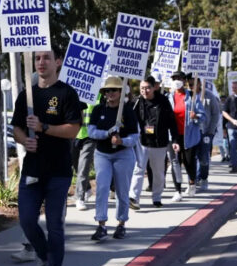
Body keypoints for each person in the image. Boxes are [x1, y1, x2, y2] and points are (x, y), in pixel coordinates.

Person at [11, 49, 81, 266]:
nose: (41, 62)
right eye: (38, 58)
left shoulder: (66, 93)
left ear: (58, 61)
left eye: (47, 58)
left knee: (55, 225)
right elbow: (16, 128)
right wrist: (24, 141)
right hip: (32, 170)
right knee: (27, 220)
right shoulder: (26, 95)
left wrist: (44, 127)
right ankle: (43, 257)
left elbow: (73, 130)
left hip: (59, 172)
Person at [88, 76, 138, 239]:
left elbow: (135, 136)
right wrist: (107, 133)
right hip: (102, 154)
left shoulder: (128, 111)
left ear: (121, 92)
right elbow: (91, 132)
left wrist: (122, 140)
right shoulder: (98, 110)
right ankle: (101, 224)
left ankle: (121, 223)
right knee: (102, 188)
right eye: (107, 90)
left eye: (114, 90)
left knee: (122, 191)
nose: (110, 93)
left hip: (123, 155)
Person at [129, 76, 179, 210]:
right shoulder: (136, 102)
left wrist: (174, 140)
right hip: (142, 141)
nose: (144, 91)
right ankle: (134, 198)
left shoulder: (163, 101)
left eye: (147, 88)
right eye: (142, 88)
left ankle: (156, 197)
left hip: (159, 142)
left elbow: (172, 122)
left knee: (158, 172)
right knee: (138, 169)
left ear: (154, 87)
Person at [167, 72, 204, 201]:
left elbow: (202, 116)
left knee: (189, 162)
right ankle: (177, 190)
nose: (176, 80)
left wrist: (196, 117)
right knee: (175, 162)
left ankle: (192, 182)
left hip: (189, 136)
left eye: (179, 78)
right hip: (173, 136)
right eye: (174, 78)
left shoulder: (192, 97)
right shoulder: (168, 97)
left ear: (184, 80)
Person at [192, 77, 221, 192]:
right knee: (193, 157)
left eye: (194, 83)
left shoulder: (209, 96)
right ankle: (194, 179)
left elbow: (216, 113)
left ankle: (203, 178)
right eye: (189, 84)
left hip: (206, 132)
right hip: (192, 132)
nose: (192, 86)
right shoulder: (189, 95)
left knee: (204, 157)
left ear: (199, 83)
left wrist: (211, 130)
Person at [73, 98, 96, 211]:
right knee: (77, 167)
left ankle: (79, 197)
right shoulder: (71, 93)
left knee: (83, 167)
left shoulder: (98, 95)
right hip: (73, 135)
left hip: (89, 136)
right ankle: (87, 188)